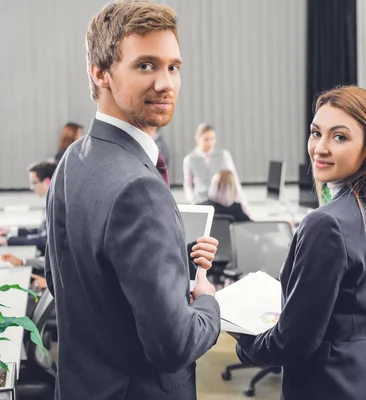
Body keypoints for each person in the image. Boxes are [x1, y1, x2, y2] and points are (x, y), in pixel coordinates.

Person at [45, 2, 221, 399]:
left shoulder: (72, 160)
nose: (166, 83)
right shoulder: (138, 189)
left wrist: (175, 258)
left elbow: (66, 281)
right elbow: (173, 345)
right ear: (100, 73)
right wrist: (208, 304)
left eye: (173, 67)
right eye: (146, 66)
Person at [232, 86, 366, 399]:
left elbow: (291, 344)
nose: (320, 147)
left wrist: (239, 332)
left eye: (339, 137)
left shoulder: (326, 224)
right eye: (316, 133)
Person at [183, 123, 249, 211]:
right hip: (201, 203)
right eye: (206, 139)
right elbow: (188, 185)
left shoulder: (224, 155)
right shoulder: (189, 159)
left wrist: (244, 204)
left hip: (221, 203)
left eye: (212, 139)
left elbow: (235, 181)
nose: (210, 142)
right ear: (198, 139)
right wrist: (192, 201)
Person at [0, 161, 56, 252]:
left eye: (34, 183)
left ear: (47, 182)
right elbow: (42, 230)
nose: (31, 187)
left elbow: (46, 239)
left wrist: (7, 241)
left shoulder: (56, 205)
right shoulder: (52, 200)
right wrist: (11, 230)